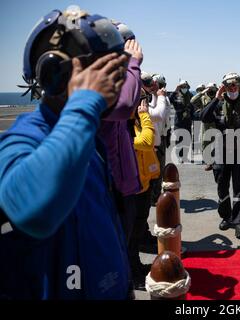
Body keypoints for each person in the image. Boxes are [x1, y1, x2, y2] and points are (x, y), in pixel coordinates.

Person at [0, 7, 131, 299]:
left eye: (116, 72)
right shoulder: (20, 140)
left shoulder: (88, 140)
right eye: (102, 73)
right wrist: (85, 101)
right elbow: (35, 211)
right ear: (56, 74)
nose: (114, 85)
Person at [97, 23, 144, 290]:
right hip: (108, 188)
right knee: (109, 260)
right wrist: (132, 64)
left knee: (121, 250)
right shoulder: (97, 86)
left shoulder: (119, 82)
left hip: (123, 186)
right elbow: (125, 106)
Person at [200, 73, 240, 240]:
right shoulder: (218, 105)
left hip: (239, 153)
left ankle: (239, 223)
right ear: (223, 87)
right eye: (228, 85)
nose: (232, 88)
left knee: (239, 188)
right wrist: (216, 98)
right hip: (221, 153)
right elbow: (204, 117)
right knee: (222, 187)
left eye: (235, 85)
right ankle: (226, 216)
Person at [129, 100, 160, 289]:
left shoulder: (136, 122)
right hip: (131, 187)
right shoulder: (126, 123)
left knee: (137, 231)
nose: (142, 105)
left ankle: (136, 266)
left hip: (143, 184)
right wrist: (144, 115)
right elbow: (146, 141)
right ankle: (132, 275)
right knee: (131, 235)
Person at [139, 72, 171, 246]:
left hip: (154, 148)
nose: (152, 84)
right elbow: (158, 115)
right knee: (142, 200)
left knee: (148, 195)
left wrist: (159, 97)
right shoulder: (139, 99)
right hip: (145, 150)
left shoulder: (148, 97)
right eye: (148, 82)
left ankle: (142, 235)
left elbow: (164, 115)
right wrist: (160, 97)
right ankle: (141, 237)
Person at [191, 82, 218, 171]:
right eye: (209, 89)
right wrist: (202, 92)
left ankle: (215, 161)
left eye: (213, 89)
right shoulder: (203, 98)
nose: (211, 91)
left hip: (216, 123)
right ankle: (208, 162)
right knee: (205, 143)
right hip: (205, 123)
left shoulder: (218, 97)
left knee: (216, 143)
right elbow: (192, 101)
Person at [170, 80, 194, 161]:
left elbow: (193, 107)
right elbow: (170, 100)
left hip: (187, 121)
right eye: (182, 86)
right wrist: (175, 90)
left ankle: (185, 156)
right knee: (179, 140)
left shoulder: (190, 95)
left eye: (185, 86)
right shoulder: (176, 95)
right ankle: (179, 156)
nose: (184, 88)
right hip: (179, 122)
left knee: (187, 140)